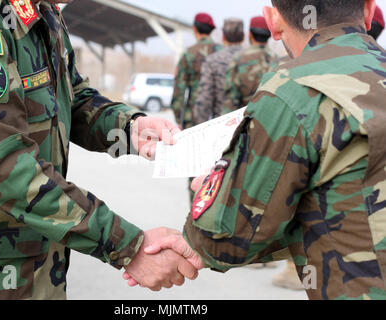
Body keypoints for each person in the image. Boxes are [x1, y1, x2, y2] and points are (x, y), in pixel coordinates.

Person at [0, 0, 202, 300]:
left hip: (34, 261)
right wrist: (129, 246)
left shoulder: (41, 13)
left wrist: (129, 127)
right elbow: (7, 168)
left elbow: (72, 96)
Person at [133, 0, 386, 300]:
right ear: (369, 11)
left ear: (274, 21)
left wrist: (209, 209)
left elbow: (231, 235)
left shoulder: (294, 89)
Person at [171, 13, 222, 129]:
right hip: (220, 115)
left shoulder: (188, 54)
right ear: (211, 30)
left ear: (195, 29)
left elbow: (179, 87)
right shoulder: (223, 52)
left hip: (193, 116)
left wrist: (178, 116)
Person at [193, 18, 244, 125]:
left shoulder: (213, 60)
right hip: (250, 127)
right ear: (243, 37)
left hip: (222, 125)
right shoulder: (253, 60)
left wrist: (200, 128)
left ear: (223, 36)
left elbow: (205, 99)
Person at [223, 16, 277, 113]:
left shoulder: (238, 60)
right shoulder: (279, 61)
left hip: (245, 121)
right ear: (269, 35)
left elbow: (230, 101)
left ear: (250, 34)